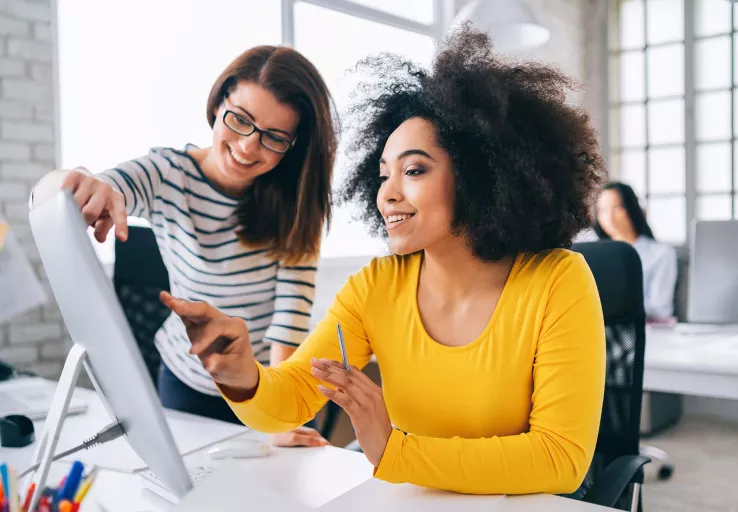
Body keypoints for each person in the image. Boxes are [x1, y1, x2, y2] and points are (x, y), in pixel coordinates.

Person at [160, 26, 607, 495]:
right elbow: (293, 396)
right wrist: (242, 374)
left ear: (480, 175)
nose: (387, 194)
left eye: (414, 170)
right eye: (382, 174)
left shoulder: (558, 281)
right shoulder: (377, 286)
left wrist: (396, 450)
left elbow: (560, 459)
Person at [29, 45, 337, 447]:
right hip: (184, 379)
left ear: (294, 146)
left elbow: (290, 317)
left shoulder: (298, 202)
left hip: (257, 386)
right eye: (240, 119)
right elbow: (78, 189)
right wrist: (76, 182)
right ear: (218, 103)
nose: (247, 146)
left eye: (274, 138)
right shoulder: (169, 173)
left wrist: (276, 411)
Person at [594, 182, 678, 321]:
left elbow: (660, 309)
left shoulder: (661, 254)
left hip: (646, 331)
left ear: (631, 209)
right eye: (602, 210)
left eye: (617, 208)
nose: (609, 218)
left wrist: (615, 302)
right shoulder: (595, 253)